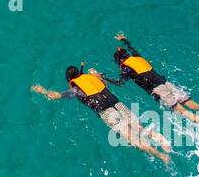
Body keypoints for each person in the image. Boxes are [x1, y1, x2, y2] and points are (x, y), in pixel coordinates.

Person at [32, 65, 171, 165]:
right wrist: (95, 74)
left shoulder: (75, 89)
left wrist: (42, 90)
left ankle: (161, 156)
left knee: (131, 138)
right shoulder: (93, 79)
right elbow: (103, 82)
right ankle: (163, 141)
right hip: (117, 104)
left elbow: (56, 96)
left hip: (107, 111)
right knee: (139, 128)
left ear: (69, 79)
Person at [111, 33, 199, 135]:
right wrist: (124, 40)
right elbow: (131, 48)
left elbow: (120, 82)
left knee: (185, 113)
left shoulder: (125, 68)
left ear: (120, 61)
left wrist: (104, 79)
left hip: (160, 90)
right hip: (167, 83)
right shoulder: (137, 57)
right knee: (194, 105)